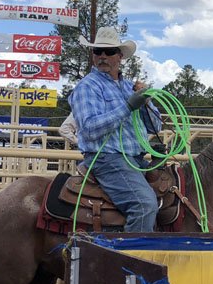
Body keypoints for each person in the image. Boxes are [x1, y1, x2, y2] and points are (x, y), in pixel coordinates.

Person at [69, 26, 161, 232]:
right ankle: (132, 261)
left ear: (119, 56)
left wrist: (146, 101)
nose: (102, 56)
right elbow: (90, 128)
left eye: (109, 52)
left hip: (136, 159)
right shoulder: (87, 87)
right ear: (93, 55)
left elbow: (155, 126)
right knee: (143, 205)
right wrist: (128, 106)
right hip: (107, 159)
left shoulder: (131, 87)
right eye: (98, 51)